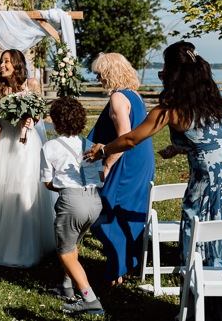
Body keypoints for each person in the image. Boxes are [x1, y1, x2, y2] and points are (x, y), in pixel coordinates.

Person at [85, 41, 222, 269]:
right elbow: (207, 140)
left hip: (212, 182)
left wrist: (104, 150)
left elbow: (130, 139)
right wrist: (178, 148)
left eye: (165, 67)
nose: (162, 73)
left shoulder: (170, 109)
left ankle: (205, 286)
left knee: (202, 233)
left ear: (173, 74)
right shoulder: (212, 101)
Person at [0, 49, 55, 267]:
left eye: (6, 61)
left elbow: (38, 114)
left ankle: (22, 244)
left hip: (26, 145)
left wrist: (30, 122)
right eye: (1, 61)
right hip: (5, 143)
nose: (2, 65)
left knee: (23, 188)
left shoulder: (32, 84)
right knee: (1, 188)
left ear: (17, 64)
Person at [86, 52, 155, 285]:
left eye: (100, 74)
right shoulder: (134, 94)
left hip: (126, 161)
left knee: (105, 211)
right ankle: (122, 265)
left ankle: (117, 268)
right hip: (141, 159)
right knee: (125, 211)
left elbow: (124, 137)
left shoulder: (117, 97)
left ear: (110, 73)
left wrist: (106, 164)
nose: (98, 79)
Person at [40, 97, 104, 316]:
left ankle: (89, 298)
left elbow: (48, 183)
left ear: (56, 122)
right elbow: (101, 175)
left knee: (65, 251)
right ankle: (67, 286)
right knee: (73, 241)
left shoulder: (50, 147)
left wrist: (64, 188)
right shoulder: (91, 145)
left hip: (71, 202)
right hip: (95, 202)